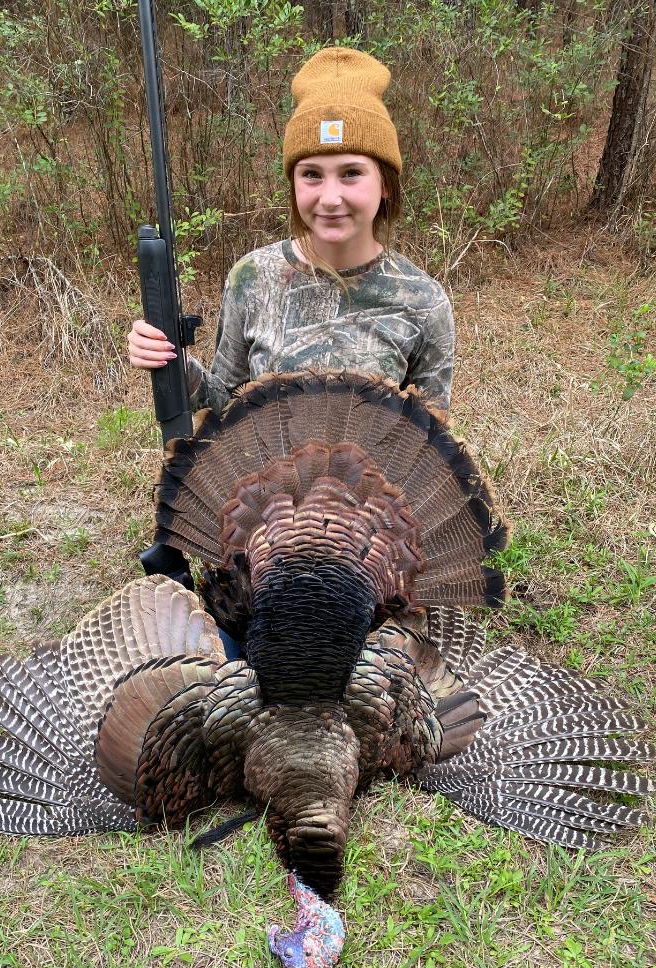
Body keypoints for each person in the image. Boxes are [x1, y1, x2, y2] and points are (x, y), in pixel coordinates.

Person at [129, 47, 456, 649]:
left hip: (368, 558)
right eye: (312, 175)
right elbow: (224, 400)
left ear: (385, 184)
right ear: (293, 183)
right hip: (259, 542)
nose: (330, 197)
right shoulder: (253, 277)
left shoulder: (423, 301)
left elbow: (427, 447)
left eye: (351, 173)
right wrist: (171, 362)